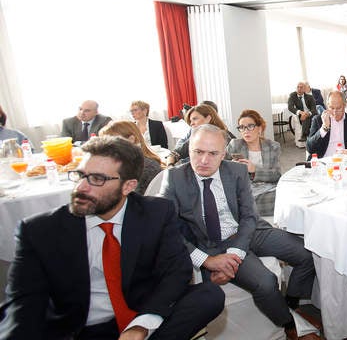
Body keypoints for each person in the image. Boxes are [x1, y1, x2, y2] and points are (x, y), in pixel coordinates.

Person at [0, 136, 224, 339]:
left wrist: (141, 326)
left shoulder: (156, 212)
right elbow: (22, 305)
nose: (81, 187)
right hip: (82, 327)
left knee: (209, 295)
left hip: (140, 316)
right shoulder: (39, 230)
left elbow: (177, 271)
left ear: (128, 186)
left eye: (97, 179)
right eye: (80, 175)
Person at [159, 124, 320, 340]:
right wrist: (207, 261)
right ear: (189, 150)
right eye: (198, 152)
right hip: (212, 245)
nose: (204, 160)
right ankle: (289, 325)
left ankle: (291, 302)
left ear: (223, 153)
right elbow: (166, 228)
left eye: (213, 153)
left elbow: (249, 216)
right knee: (266, 283)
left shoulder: (236, 171)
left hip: (250, 230)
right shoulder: (174, 178)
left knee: (306, 254)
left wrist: (235, 254)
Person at [226, 110, 282, 217]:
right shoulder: (235, 145)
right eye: (242, 127)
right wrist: (231, 167)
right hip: (244, 189)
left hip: (268, 189)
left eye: (250, 126)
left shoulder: (273, 146)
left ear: (260, 128)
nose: (245, 131)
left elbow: (276, 175)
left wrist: (254, 170)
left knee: (287, 193)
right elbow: (220, 167)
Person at [99, 121, 165, 194]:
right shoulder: (128, 163)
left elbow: (131, 200)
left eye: (112, 143)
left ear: (131, 140)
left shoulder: (143, 168)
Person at [166, 104, 232, 166]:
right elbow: (174, 154)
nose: (191, 124)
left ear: (208, 118)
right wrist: (170, 166)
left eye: (195, 119)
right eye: (190, 121)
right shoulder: (197, 138)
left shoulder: (225, 137)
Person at [307, 91, 347, 158]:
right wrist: (324, 128)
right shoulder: (318, 120)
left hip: (345, 162)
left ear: (344, 105)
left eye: (338, 108)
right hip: (323, 161)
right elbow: (310, 148)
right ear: (327, 105)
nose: (335, 112)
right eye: (332, 108)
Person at [288, 82, 319, 149]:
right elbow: (290, 107)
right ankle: (305, 136)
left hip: (310, 114)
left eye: (301, 87)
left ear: (305, 89)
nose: (299, 89)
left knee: (308, 117)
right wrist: (301, 112)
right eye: (298, 87)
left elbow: (314, 110)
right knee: (305, 117)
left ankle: (305, 135)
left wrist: (307, 114)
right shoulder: (292, 95)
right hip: (300, 114)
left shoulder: (310, 97)